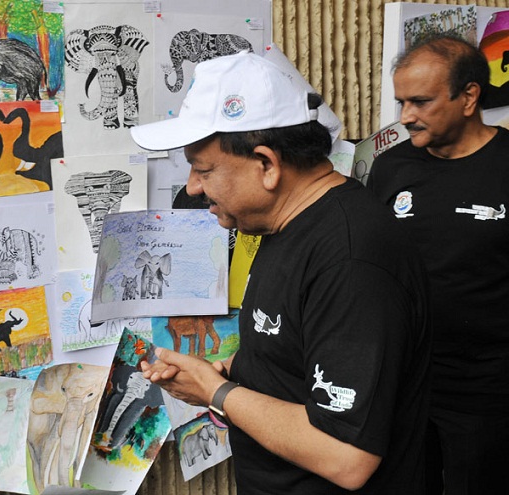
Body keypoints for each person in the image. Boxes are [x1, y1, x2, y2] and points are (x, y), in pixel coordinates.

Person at [130, 51, 432, 494]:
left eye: (203, 170)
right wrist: (224, 369)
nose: (193, 188)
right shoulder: (282, 223)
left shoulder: (351, 261)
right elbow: (300, 353)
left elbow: (346, 456)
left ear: (267, 165)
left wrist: (216, 392)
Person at [367, 33, 509, 495]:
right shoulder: (390, 168)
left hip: (488, 395)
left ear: (468, 97)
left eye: (421, 102)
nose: (406, 116)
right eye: (402, 102)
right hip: (404, 386)